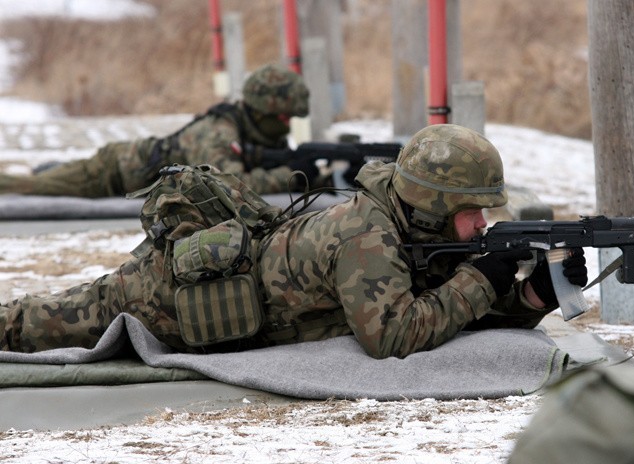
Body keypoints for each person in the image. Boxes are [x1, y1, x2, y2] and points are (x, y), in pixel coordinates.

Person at [0, 124, 588, 359]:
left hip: (226, 298)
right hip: (168, 300)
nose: (484, 224)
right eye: (474, 211)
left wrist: (532, 297)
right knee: (39, 322)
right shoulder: (369, 234)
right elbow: (394, 335)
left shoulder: (413, 226)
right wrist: (480, 280)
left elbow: (443, 307)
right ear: (436, 204)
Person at [0, 63, 317, 197]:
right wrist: (288, 176)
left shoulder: (242, 126)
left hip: (131, 163)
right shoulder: (220, 133)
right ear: (263, 113)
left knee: (50, 174)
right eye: (284, 118)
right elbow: (228, 186)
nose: (286, 126)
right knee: (33, 186)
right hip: (114, 172)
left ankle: (50, 169)